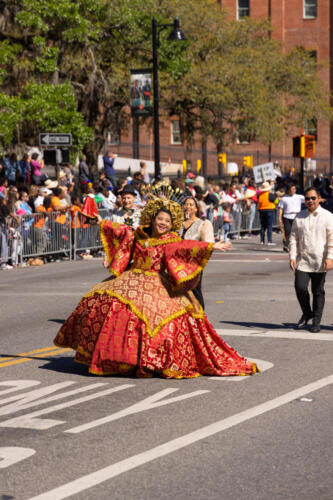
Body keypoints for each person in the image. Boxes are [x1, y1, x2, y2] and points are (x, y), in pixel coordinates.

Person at [54, 193, 258, 378]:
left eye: (167, 221)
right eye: (160, 219)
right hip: (132, 279)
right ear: (152, 219)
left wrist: (212, 245)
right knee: (104, 302)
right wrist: (100, 221)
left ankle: (150, 361)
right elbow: (120, 231)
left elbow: (186, 247)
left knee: (158, 317)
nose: (163, 223)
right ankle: (117, 359)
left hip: (159, 283)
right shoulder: (139, 235)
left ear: (172, 225)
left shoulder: (172, 240)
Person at [289, 187, 333, 333]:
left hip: (320, 260)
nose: (310, 201)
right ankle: (307, 312)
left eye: (313, 198)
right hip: (303, 260)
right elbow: (293, 238)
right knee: (300, 287)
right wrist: (292, 256)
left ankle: (317, 321)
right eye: (307, 198)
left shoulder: (328, 216)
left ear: (319, 198)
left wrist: (330, 257)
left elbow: (332, 239)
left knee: (317, 291)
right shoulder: (299, 216)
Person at [181, 196, 215, 309]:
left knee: (195, 291)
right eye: (186, 204)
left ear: (196, 209)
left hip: (194, 264)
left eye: (191, 205)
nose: (188, 207)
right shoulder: (178, 224)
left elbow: (207, 244)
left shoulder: (202, 224)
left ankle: (200, 318)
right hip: (178, 263)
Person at [278, 183, 304, 252]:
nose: (293, 190)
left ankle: (298, 246)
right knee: (288, 232)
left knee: (298, 232)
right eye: (292, 189)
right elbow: (281, 208)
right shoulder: (284, 198)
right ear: (288, 190)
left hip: (297, 216)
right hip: (287, 216)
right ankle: (286, 245)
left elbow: (308, 200)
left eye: (294, 189)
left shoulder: (299, 197)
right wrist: (279, 217)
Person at [258, 181, 277, 245]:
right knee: (269, 226)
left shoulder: (260, 195)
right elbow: (276, 201)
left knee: (263, 226)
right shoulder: (270, 195)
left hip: (261, 211)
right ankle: (269, 241)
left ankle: (262, 240)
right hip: (269, 210)